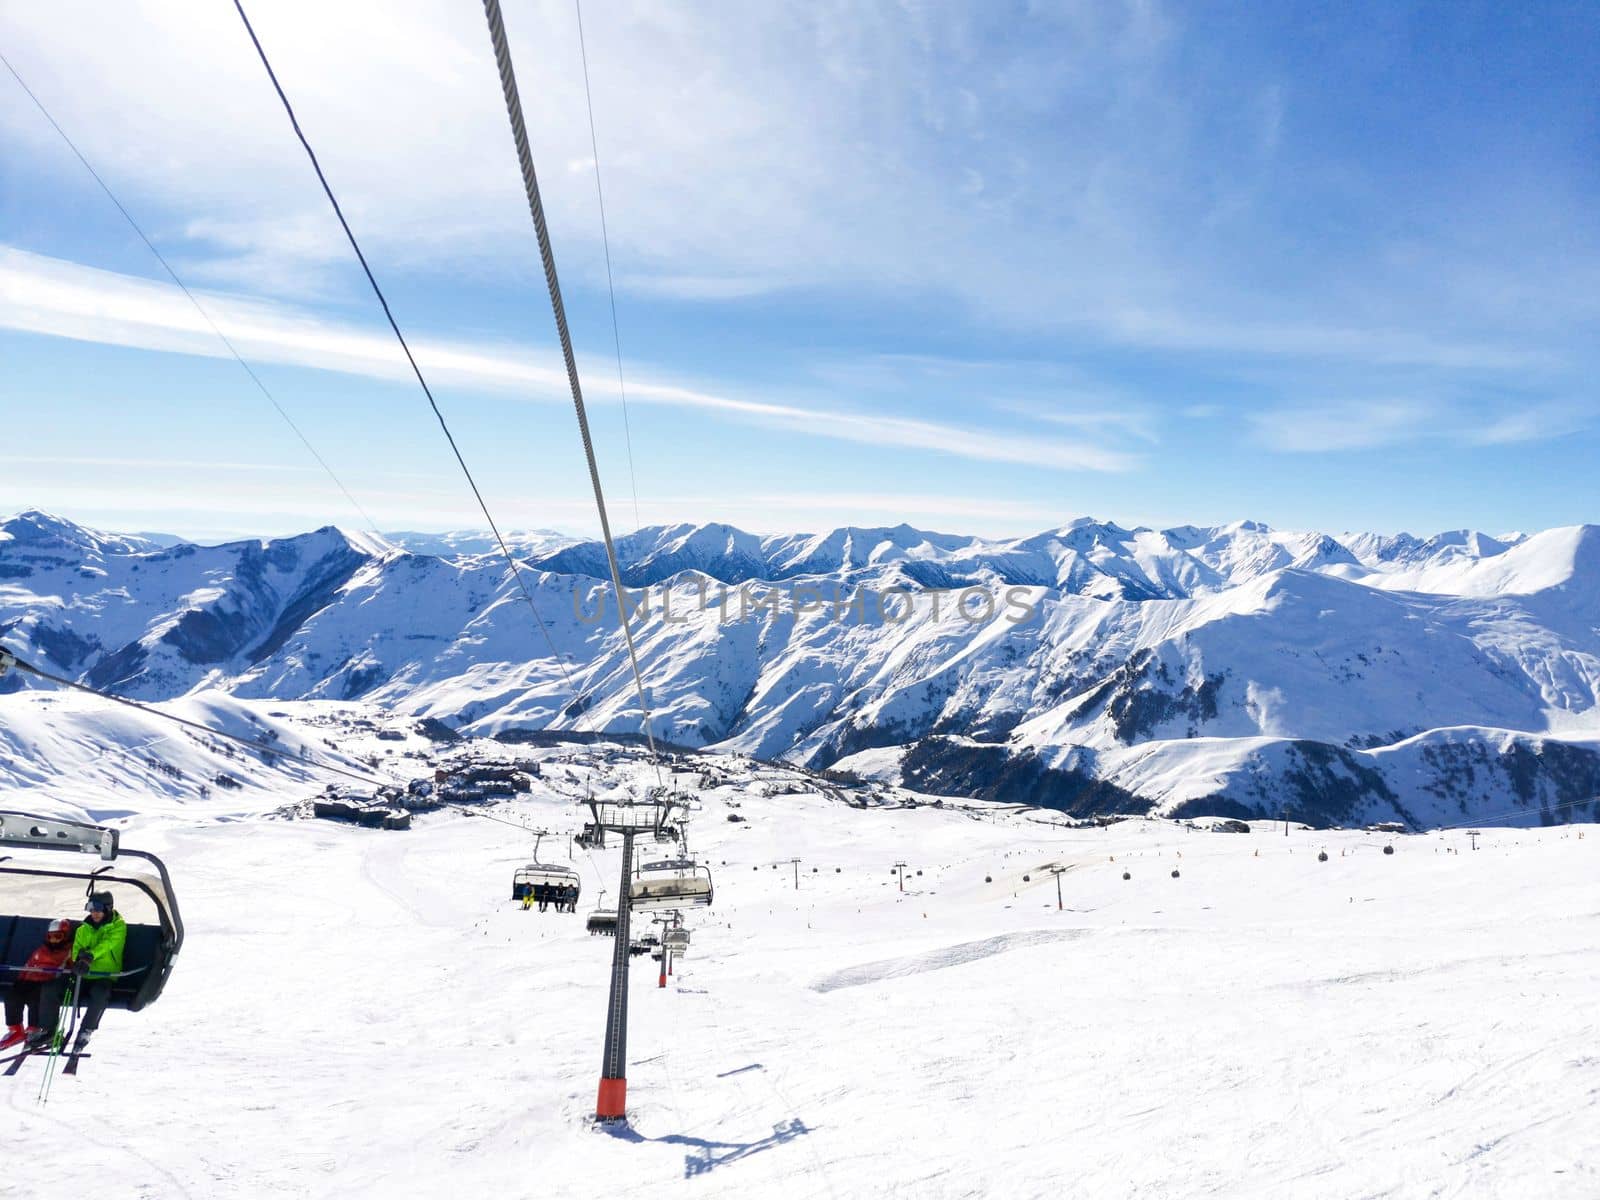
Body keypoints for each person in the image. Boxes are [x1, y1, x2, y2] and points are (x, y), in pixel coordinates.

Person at [33, 891, 125, 1053]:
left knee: (100, 994)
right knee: (50, 988)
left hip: (103, 975)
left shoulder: (118, 926)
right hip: (82, 973)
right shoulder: (84, 928)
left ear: (108, 908)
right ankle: (49, 1030)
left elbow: (109, 944)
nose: (94, 912)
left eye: (97, 908)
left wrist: (90, 956)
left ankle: (86, 1030)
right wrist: (79, 960)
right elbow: (76, 950)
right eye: (90, 908)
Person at [1, 918, 74, 1050]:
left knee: (36, 998)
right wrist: (20, 979)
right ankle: (16, 1029)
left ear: (66, 936)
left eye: (58, 936)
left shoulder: (68, 951)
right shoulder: (41, 950)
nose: (53, 940)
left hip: (46, 982)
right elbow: (28, 965)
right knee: (12, 996)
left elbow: (71, 970)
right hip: (30, 980)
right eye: (50, 936)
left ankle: (34, 1029)